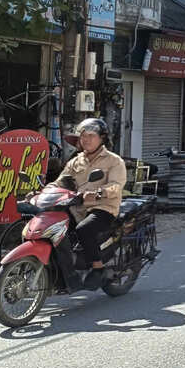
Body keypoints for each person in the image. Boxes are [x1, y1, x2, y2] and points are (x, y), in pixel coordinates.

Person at [54, 118, 126, 290]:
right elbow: (60, 182)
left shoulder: (114, 161)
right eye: (83, 136)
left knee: (83, 229)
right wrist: (41, 193)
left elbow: (116, 185)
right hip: (76, 207)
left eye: (91, 136)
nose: (85, 140)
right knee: (55, 229)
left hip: (103, 208)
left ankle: (97, 267)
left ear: (102, 138)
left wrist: (99, 192)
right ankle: (66, 271)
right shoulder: (75, 161)